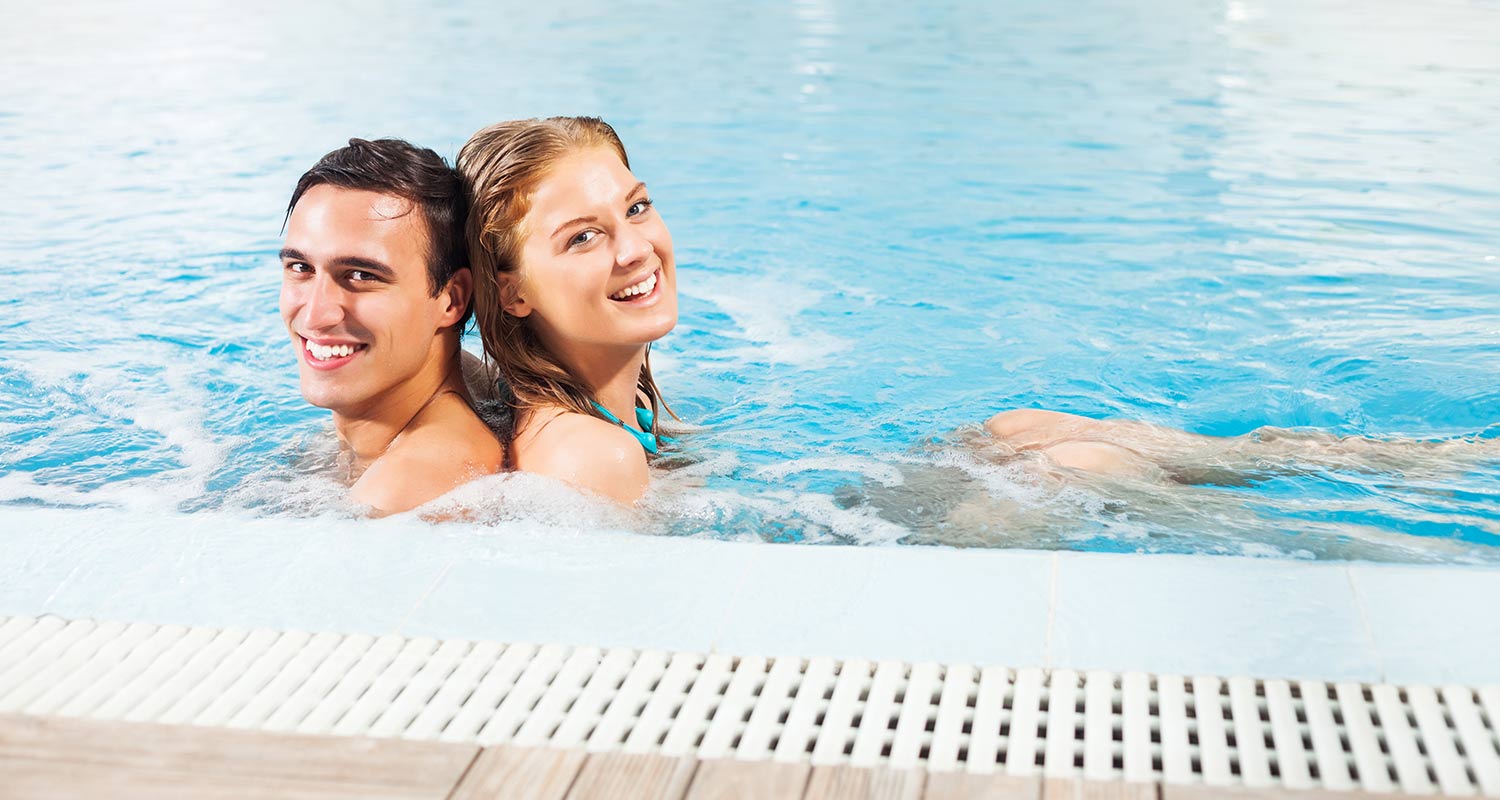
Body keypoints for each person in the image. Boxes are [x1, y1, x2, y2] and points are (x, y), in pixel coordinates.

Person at [457, 117, 1497, 506]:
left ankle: (1362, 463)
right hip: (845, 588)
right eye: (583, 235)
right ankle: (1369, 552)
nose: (637, 246)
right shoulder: (581, 458)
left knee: (1020, 425)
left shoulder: (604, 389)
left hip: (832, 523)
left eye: (635, 207)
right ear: (511, 289)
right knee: (1069, 463)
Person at [280, 137, 504, 515]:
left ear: (451, 299)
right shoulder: (471, 381)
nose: (315, 314)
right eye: (301, 268)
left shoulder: (403, 493)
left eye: (360, 275)